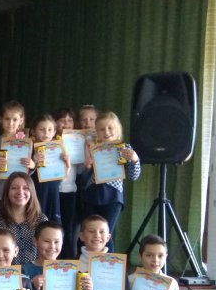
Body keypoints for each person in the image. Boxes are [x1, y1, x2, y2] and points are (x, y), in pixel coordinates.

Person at [81, 111, 141, 251]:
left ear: (117, 129)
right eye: (102, 129)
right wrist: (87, 167)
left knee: (106, 234)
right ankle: (88, 262)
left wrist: (134, 159)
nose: (106, 132)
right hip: (92, 195)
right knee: (90, 233)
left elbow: (133, 175)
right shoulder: (93, 149)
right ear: (97, 132)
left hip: (113, 196)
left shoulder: (124, 149)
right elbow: (83, 179)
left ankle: (109, 263)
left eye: (110, 128)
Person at [0, 172, 47, 266]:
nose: (20, 192)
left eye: (25, 188)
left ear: (32, 192)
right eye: (14, 188)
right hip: (5, 273)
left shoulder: (41, 220)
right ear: (7, 192)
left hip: (35, 273)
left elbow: (46, 253)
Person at [0, 101, 28, 213]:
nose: (11, 123)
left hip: (19, 193)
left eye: (15, 119)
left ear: (21, 120)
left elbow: (29, 171)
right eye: (7, 119)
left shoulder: (26, 143)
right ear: (0, 119)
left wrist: (32, 165)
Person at [30, 114, 69, 225]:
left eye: (50, 129)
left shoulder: (59, 149)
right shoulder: (29, 149)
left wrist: (67, 165)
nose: (46, 133)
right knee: (36, 222)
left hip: (53, 191)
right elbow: (23, 174)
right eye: (41, 129)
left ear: (54, 132)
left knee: (53, 223)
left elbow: (62, 178)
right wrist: (33, 160)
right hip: (36, 191)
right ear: (33, 131)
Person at [54, 107, 81, 258]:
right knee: (53, 228)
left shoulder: (77, 142)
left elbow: (82, 170)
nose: (66, 123)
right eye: (62, 120)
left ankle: (68, 261)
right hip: (53, 191)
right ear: (55, 123)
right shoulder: (49, 142)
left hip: (70, 191)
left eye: (70, 120)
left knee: (68, 229)